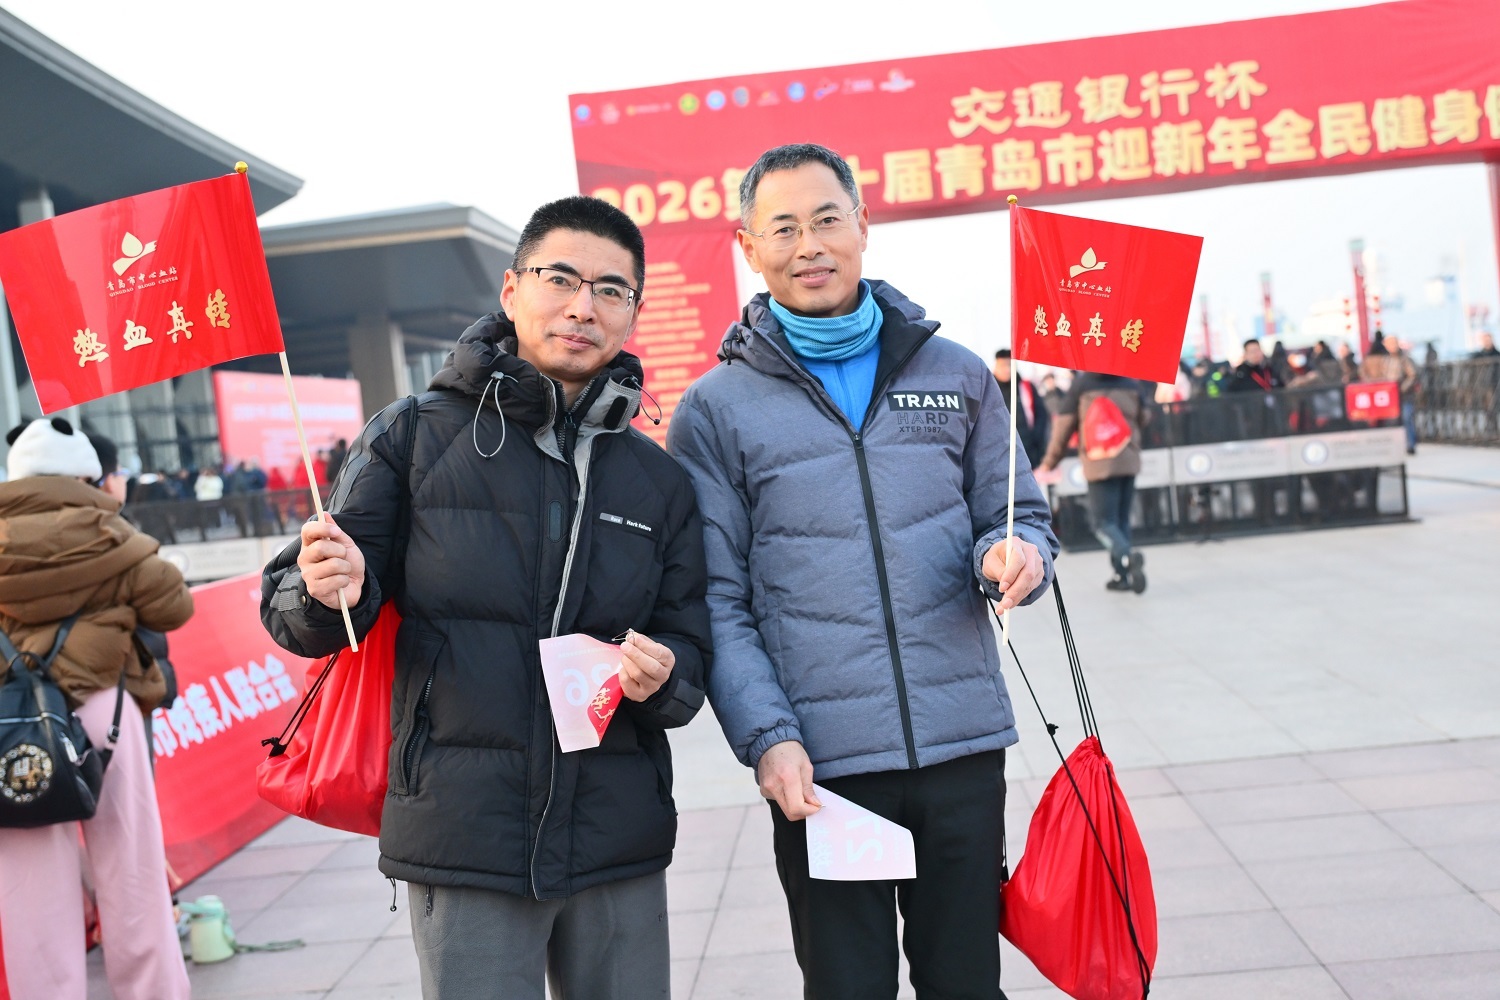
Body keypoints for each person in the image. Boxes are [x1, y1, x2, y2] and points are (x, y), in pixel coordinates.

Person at [261, 195, 711, 1000]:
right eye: (560, 278)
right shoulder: (413, 436)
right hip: (462, 828)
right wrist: (328, 591)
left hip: (616, 830)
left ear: (634, 313)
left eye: (612, 289)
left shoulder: (660, 480)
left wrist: (666, 675)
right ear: (511, 291)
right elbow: (296, 611)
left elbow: (691, 649)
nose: (584, 306)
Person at [667, 143, 1057, 1000]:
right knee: (848, 987)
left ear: (864, 227)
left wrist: (1021, 555)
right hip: (821, 768)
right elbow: (716, 600)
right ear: (748, 246)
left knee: (966, 984)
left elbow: (1020, 513)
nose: (809, 244)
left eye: (827, 219)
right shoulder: (714, 411)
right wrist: (767, 738)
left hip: (959, 745)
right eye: (784, 227)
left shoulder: (954, 374)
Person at [0, 419, 193, 1000]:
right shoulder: (113, 535)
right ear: (87, 474)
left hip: (14, 723)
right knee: (130, 865)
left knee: (28, 882)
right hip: (104, 711)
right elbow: (174, 607)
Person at [1036, 373, 1154, 593]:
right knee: (1120, 521)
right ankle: (1122, 575)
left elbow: (1063, 426)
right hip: (1128, 458)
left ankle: (1127, 557)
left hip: (1099, 462)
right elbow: (1145, 417)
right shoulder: (1130, 381)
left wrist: (1050, 462)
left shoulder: (1082, 384)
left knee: (1102, 524)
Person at [992, 348, 1051, 467]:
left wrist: (1036, 438)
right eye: (1003, 365)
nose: (1007, 370)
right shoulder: (990, 390)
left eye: (1010, 365)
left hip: (1029, 449)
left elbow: (1041, 414)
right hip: (1001, 452)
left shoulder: (1026, 387)